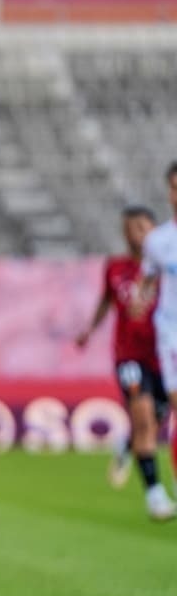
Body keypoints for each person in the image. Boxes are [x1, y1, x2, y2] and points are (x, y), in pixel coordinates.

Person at [75, 206, 172, 517]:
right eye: (129, 228)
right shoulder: (115, 268)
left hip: (163, 355)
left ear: (154, 230)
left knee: (153, 421)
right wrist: (90, 328)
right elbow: (106, 299)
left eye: (142, 227)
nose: (135, 234)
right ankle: (155, 496)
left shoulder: (165, 265)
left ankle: (127, 444)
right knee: (143, 417)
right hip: (129, 355)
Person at [139, 161, 177, 522]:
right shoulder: (158, 241)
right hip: (171, 335)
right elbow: (147, 282)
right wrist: (138, 299)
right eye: (175, 188)